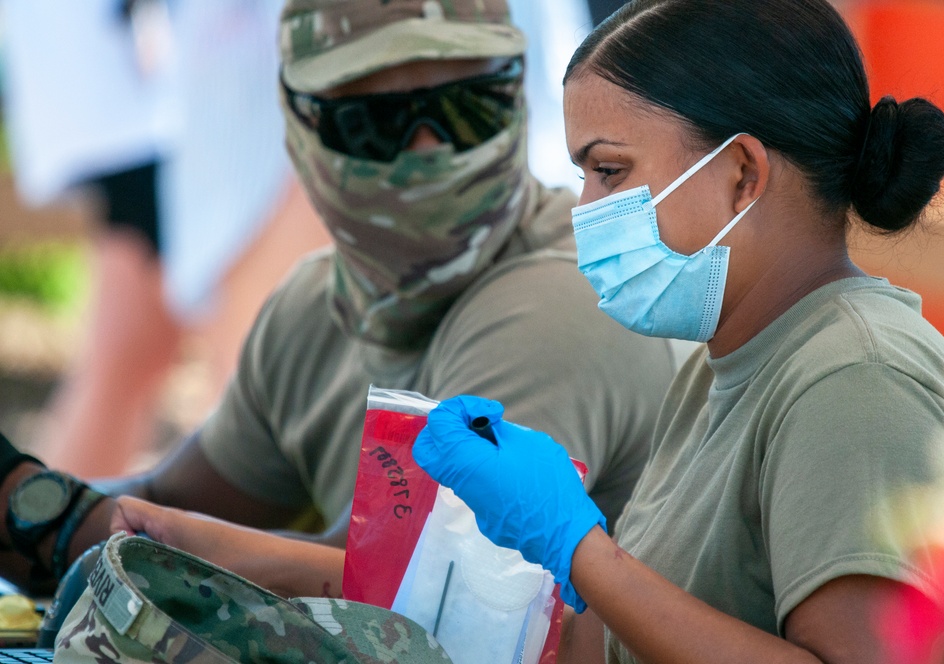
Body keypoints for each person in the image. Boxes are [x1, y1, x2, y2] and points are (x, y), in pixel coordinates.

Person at [0, 0, 678, 597]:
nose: (428, 149)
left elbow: (409, 588)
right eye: (370, 123)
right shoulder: (314, 309)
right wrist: (28, 504)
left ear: (517, 95)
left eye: (469, 106)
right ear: (297, 129)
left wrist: (50, 519)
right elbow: (161, 503)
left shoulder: (561, 302)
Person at [405, 0, 944, 661]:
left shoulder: (857, 376)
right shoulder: (722, 365)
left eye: (609, 170)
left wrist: (580, 549)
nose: (584, 211)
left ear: (742, 174)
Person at [1, 0, 328, 477]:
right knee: (248, 359)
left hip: (185, 76)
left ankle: (49, 539)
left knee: (137, 344)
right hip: (176, 77)